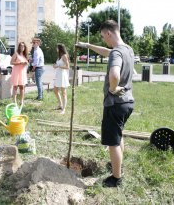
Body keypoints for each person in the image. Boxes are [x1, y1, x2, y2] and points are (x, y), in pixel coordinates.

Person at [77, 19, 134, 187]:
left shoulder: (116, 53)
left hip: (115, 103)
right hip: (128, 102)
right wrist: (88, 45)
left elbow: (114, 75)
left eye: (103, 36)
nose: (104, 40)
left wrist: (113, 88)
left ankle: (116, 178)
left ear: (109, 33)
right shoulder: (127, 50)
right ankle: (118, 166)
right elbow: (107, 52)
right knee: (118, 135)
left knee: (112, 142)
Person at [53, 43, 70, 114]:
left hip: (63, 75)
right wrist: (55, 65)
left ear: (60, 48)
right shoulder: (59, 56)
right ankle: (60, 105)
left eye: (57, 48)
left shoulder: (64, 56)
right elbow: (58, 64)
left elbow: (68, 67)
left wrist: (59, 66)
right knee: (55, 90)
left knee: (63, 92)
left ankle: (64, 109)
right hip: (58, 75)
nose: (56, 49)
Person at [10, 41, 28, 107]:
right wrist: (19, 63)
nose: (22, 47)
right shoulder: (16, 54)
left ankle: (21, 101)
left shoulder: (25, 55)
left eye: (23, 46)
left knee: (22, 87)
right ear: (19, 47)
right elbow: (11, 62)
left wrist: (26, 63)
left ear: (25, 47)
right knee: (15, 86)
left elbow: (26, 63)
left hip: (22, 72)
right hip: (16, 72)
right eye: (21, 46)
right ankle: (14, 101)